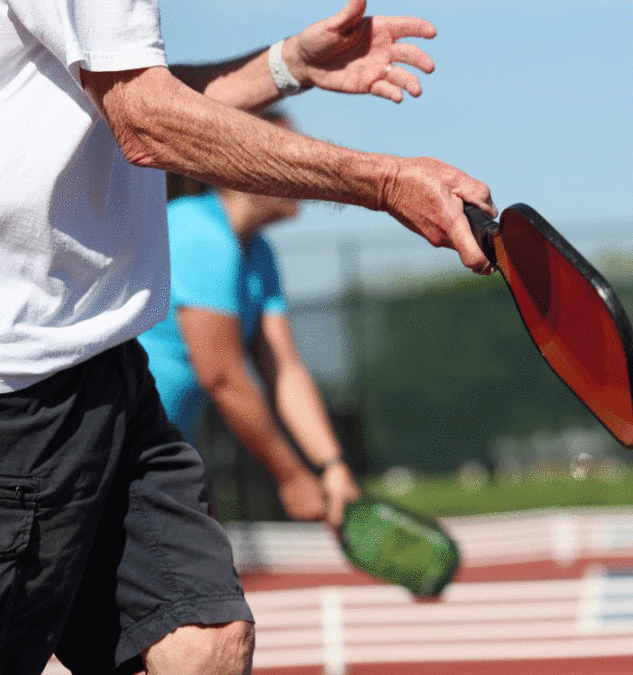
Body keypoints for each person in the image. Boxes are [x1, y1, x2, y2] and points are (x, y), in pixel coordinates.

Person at [0, 1, 496, 673]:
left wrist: (288, 65)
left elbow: (130, 89)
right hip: (22, 404)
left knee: (206, 643)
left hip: (109, 377)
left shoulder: (257, 259)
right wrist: (386, 181)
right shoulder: (204, 237)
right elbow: (146, 120)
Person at [140, 110, 360, 527]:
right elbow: (223, 379)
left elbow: (284, 369)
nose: (306, 173)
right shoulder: (198, 232)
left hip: (154, 459)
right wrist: (293, 477)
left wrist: (332, 466)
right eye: (289, 158)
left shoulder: (259, 255)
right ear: (241, 166)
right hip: (100, 458)